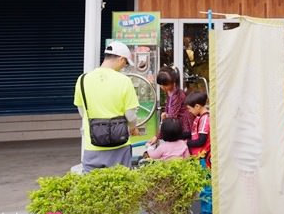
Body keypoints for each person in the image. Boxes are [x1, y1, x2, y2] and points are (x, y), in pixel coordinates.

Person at [74, 41, 140, 173]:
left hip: (92, 145)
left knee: (92, 187)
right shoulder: (124, 81)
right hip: (119, 145)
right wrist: (133, 128)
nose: (124, 66)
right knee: (121, 185)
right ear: (121, 59)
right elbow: (130, 115)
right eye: (125, 63)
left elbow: (82, 112)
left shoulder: (82, 79)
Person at [186, 91, 213, 214]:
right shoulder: (200, 117)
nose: (189, 111)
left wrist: (185, 144)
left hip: (205, 158)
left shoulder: (205, 119)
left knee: (206, 188)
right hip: (200, 158)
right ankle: (204, 213)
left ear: (197, 106)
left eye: (190, 108)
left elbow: (201, 140)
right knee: (203, 187)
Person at [149, 66, 194, 145]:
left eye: (165, 85)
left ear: (174, 82)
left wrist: (157, 136)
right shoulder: (169, 91)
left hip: (183, 128)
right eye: (161, 85)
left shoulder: (178, 96)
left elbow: (171, 119)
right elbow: (168, 111)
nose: (163, 87)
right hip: (176, 126)